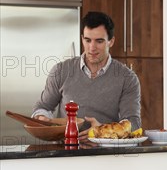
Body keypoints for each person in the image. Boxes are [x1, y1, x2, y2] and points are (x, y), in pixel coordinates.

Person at [32, 11, 141, 140]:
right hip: (66, 152)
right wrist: (42, 118)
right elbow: (42, 108)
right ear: (82, 38)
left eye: (99, 41)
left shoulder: (127, 78)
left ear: (111, 41)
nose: (91, 48)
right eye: (87, 40)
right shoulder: (61, 70)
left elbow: (133, 124)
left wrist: (100, 130)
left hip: (107, 154)